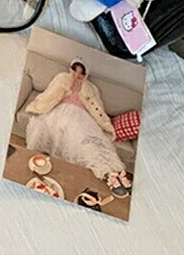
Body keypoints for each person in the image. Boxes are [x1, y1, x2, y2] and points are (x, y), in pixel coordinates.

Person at [24, 59, 132, 195]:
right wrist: (62, 87)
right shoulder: (62, 78)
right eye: (75, 70)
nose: (77, 75)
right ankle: (34, 160)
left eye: (81, 73)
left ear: (86, 75)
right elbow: (50, 93)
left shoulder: (91, 88)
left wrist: (105, 123)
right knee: (40, 128)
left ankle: (113, 172)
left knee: (88, 140)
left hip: (80, 115)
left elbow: (98, 108)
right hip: (59, 110)